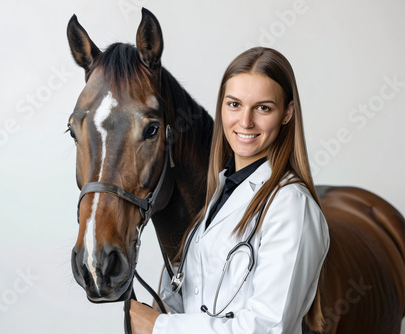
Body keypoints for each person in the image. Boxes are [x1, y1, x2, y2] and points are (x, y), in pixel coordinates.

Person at [129, 47, 330, 334]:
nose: (245, 122)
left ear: (287, 113)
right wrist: (161, 309)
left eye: (263, 108)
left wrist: (160, 327)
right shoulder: (221, 193)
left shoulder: (291, 206)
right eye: (234, 104)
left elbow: (268, 327)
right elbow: (195, 298)